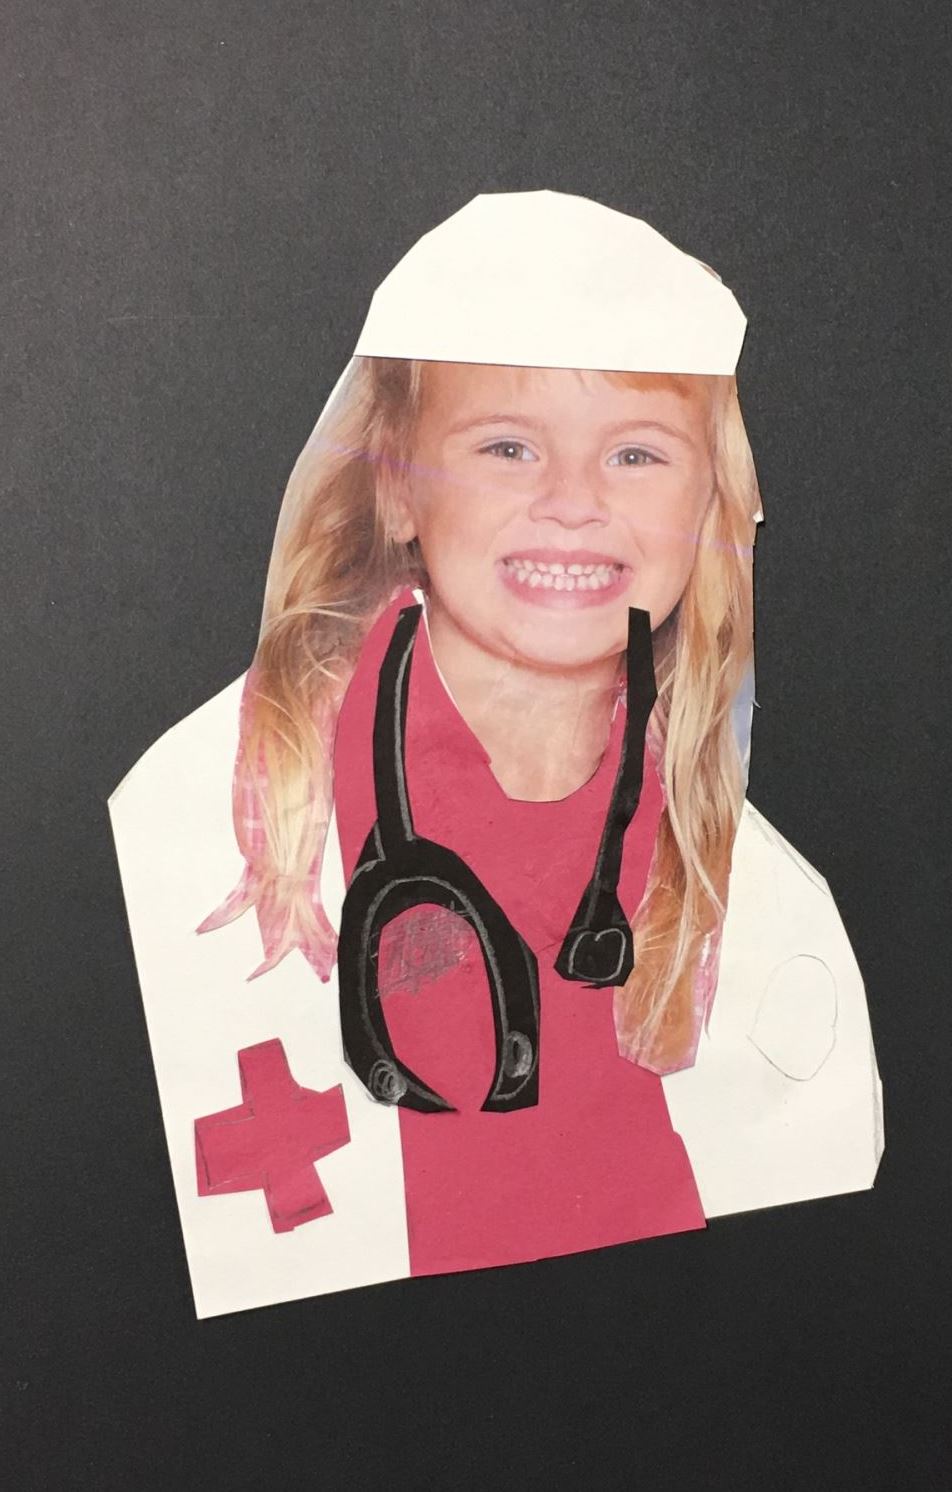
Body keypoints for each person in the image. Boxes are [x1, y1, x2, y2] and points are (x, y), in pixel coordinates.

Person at [111, 193, 882, 1313]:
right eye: (507, 447)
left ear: (712, 500)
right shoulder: (201, 831)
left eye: (635, 452)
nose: (571, 504)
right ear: (394, 482)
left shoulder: (764, 905)